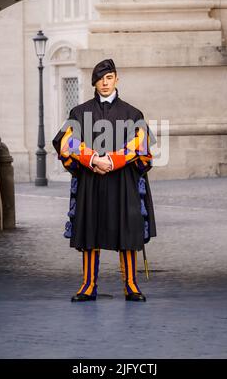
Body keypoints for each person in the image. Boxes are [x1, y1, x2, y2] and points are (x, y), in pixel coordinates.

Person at [52, 58, 157, 302]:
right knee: (90, 230)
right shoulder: (79, 113)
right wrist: (92, 160)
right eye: (100, 79)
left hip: (123, 182)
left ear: (116, 79)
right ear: (94, 83)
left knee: (127, 232)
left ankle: (131, 285)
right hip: (92, 181)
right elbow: (65, 142)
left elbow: (141, 147)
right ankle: (88, 285)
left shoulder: (133, 113)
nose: (105, 83)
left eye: (109, 78)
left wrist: (113, 160)